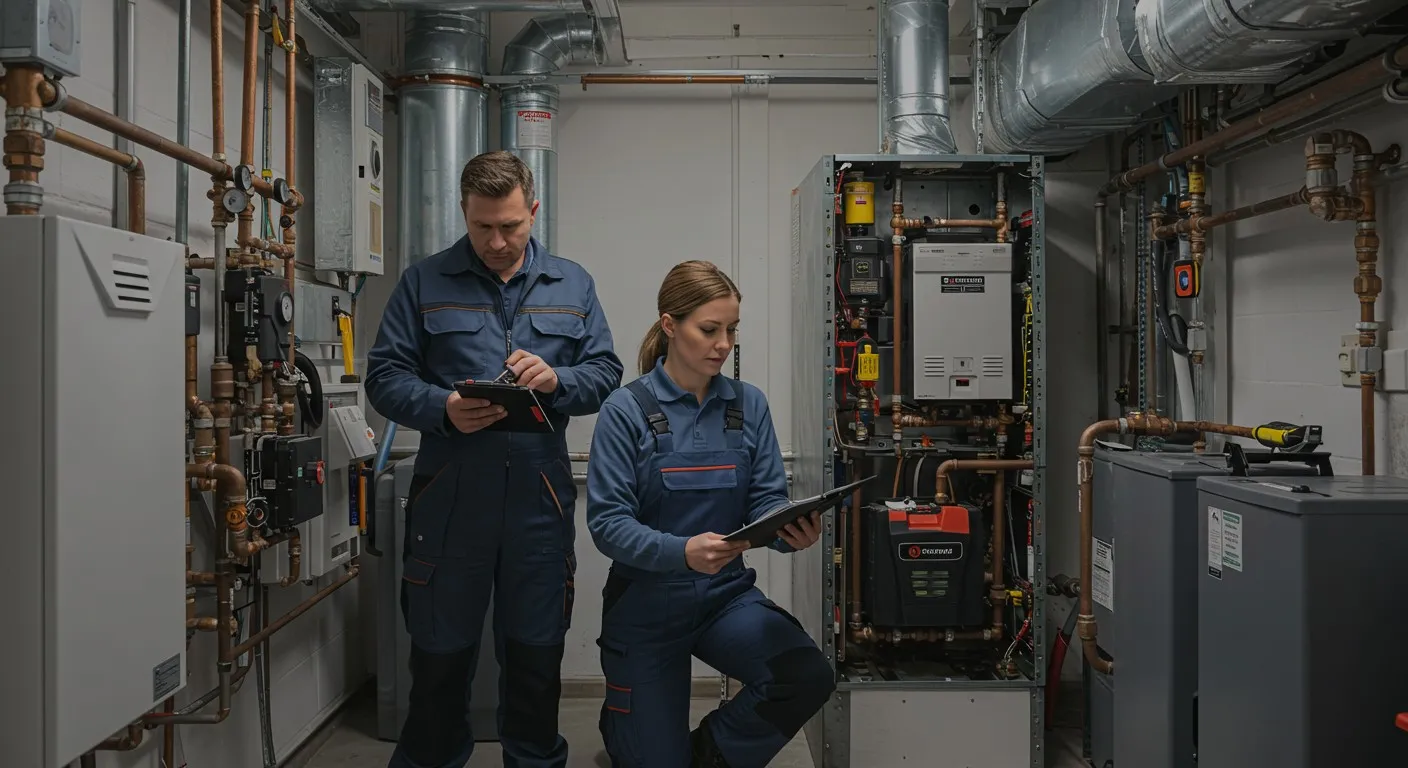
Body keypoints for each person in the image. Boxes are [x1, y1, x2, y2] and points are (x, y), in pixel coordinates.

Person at [365, 150, 623, 768]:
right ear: (465, 212)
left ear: (533, 211)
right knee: (438, 665)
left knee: (535, 667)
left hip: (539, 506)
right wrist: (440, 407)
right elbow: (384, 376)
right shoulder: (424, 281)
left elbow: (606, 371)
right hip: (449, 505)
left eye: (511, 226)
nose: (498, 241)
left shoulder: (573, 283)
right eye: (483, 227)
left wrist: (557, 380)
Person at [584, 260, 837, 767]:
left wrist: (790, 530)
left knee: (806, 674)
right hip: (645, 604)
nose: (724, 343)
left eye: (732, 329)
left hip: (725, 598)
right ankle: (629, 727)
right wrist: (682, 552)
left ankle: (703, 755)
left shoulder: (748, 405)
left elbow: (766, 500)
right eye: (709, 329)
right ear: (669, 325)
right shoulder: (625, 410)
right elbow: (608, 524)